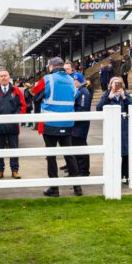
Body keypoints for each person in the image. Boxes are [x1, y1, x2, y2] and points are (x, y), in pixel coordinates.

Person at [31, 57, 81, 197]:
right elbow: (76, 96)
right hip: (68, 122)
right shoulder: (71, 80)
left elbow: (36, 93)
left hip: (51, 123)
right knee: (69, 155)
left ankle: (54, 188)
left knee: (51, 156)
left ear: (51, 67)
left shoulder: (48, 79)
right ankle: (77, 186)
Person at [0, 69, 26, 179]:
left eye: (5, 75)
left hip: (13, 125)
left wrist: (16, 117)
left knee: (14, 149)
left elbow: (22, 106)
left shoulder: (16, 91)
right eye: (1, 76)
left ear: (9, 77)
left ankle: (15, 170)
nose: (3, 77)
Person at [96, 77, 132, 181]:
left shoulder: (125, 93)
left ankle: (126, 175)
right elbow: (98, 108)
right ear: (110, 84)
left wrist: (124, 98)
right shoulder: (106, 94)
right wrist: (109, 98)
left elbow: (131, 108)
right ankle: (114, 176)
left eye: (118, 83)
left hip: (124, 128)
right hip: (111, 129)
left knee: (125, 153)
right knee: (112, 153)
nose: (116, 85)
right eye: (113, 82)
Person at [71, 72, 93, 178]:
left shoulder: (83, 92)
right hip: (76, 124)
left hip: (80, 125)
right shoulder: (79, 91)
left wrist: (72, 119)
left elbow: (82, 109)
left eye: (74, 81)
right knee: (76, 147)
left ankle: (84, 171)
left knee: (80, 146)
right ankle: (78, 170)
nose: (72, 82)